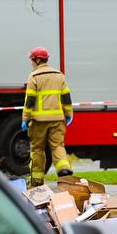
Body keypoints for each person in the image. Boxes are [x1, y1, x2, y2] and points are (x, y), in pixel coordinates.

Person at [22, 47, 74, 187]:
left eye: (32, 60)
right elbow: (66, 98)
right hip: (57, 119)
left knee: (37, 150)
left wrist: (25, 119)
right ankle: (64, 170)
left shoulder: (34, 77)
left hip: (38, 121)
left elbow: (30, 101)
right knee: (57, 146)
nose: (31, 63)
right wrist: (68, 114)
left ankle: (37, 181)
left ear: (37, 60)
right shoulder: (59, 75)